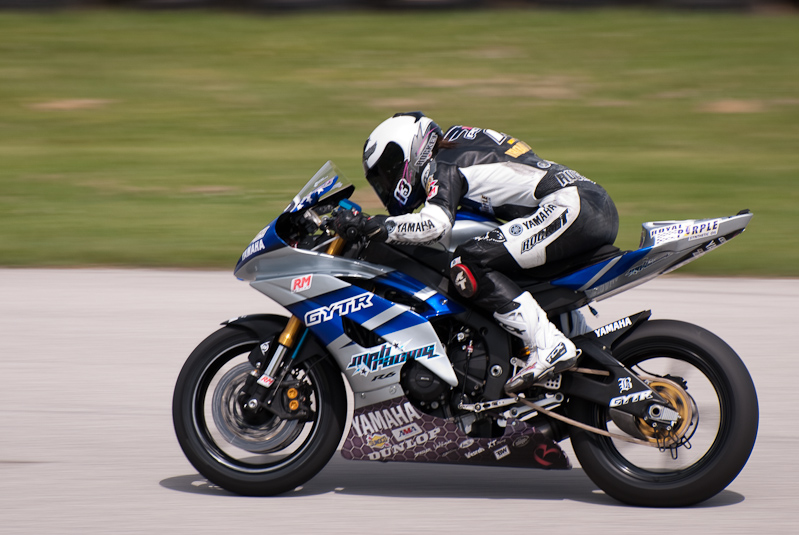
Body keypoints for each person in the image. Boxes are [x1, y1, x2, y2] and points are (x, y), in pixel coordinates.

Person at [333, 112, 619, 394]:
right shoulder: (459, 145)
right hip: (587, 203)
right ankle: (573, 341)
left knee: (468, 262)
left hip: (570, 208)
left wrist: (375, 226)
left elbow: (434, 225)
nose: (387, 184)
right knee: (500, 261)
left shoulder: (441, 165)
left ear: (408, 151)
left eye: (389, 172)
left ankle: (549, 345)